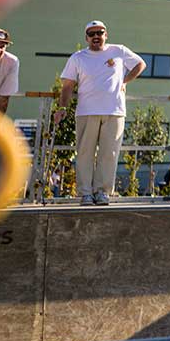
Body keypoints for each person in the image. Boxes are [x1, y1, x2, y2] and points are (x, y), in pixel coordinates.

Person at [54, 20, 145, 206]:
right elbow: (67, 86)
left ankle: (103, 192)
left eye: (100, 32)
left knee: (109, 154)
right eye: (92, 33)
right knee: (85, 153)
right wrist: (62, 108)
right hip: (86, 111)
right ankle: (85, 193)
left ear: (106, 34)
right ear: (86, 37)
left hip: (115, 111)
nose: (96, 36)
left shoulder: (119, 50)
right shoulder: (78, 57)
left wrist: (125, 81)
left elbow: (140, 64)